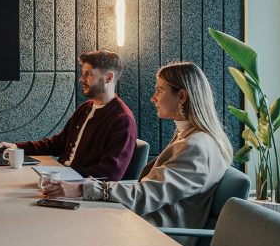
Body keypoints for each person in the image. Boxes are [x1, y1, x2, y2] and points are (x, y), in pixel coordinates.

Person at [42, 61, 234, 237]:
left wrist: (82, 188)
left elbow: (146, 195)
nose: (153, 98)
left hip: (156, 235)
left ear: (181, 96)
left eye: (159, 90)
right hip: (144, 222)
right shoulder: (192, 137)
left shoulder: (195, 147)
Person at [0, 50, 138, 180]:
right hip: (61, 179)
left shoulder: (122, 120)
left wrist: (61, 175)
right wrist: (16, 147)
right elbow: (57, 144)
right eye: (83, 73)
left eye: (88, 74)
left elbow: (110, 172)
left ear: (108, 77)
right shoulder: (86, 108)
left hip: (76, 189)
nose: (81, 79)